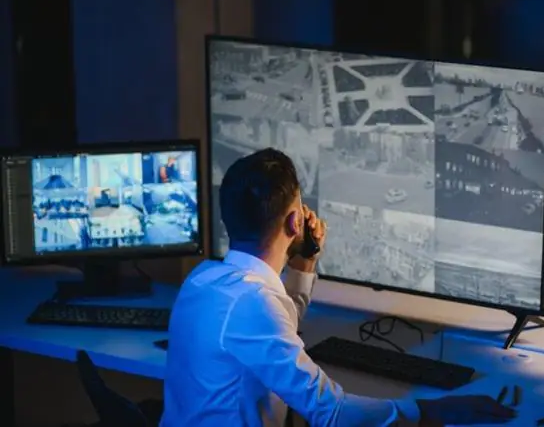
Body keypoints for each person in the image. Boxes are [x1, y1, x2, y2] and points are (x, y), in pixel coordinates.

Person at [161, 148, 516, 427]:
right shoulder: (253, 305)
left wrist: (305, 259)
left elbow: (278, 320)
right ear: (296, 221)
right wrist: (434, 411)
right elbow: (332, 414)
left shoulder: (204, 279)